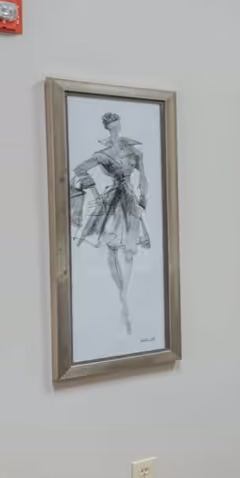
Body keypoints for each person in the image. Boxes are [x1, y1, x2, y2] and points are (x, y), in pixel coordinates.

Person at [71, 111, 151, 335]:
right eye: (112, 127)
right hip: (113, 198)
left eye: (118, 126)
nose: (116, 130)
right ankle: (123, 300)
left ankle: (125, 298)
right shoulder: (102, 155)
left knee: (130, 250)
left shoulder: (133, 151)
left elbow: (143, 177)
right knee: (113, 247)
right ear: (107, 129)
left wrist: (143, 199)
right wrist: (94, 191)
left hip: (130, 201)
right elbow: (79, 170)